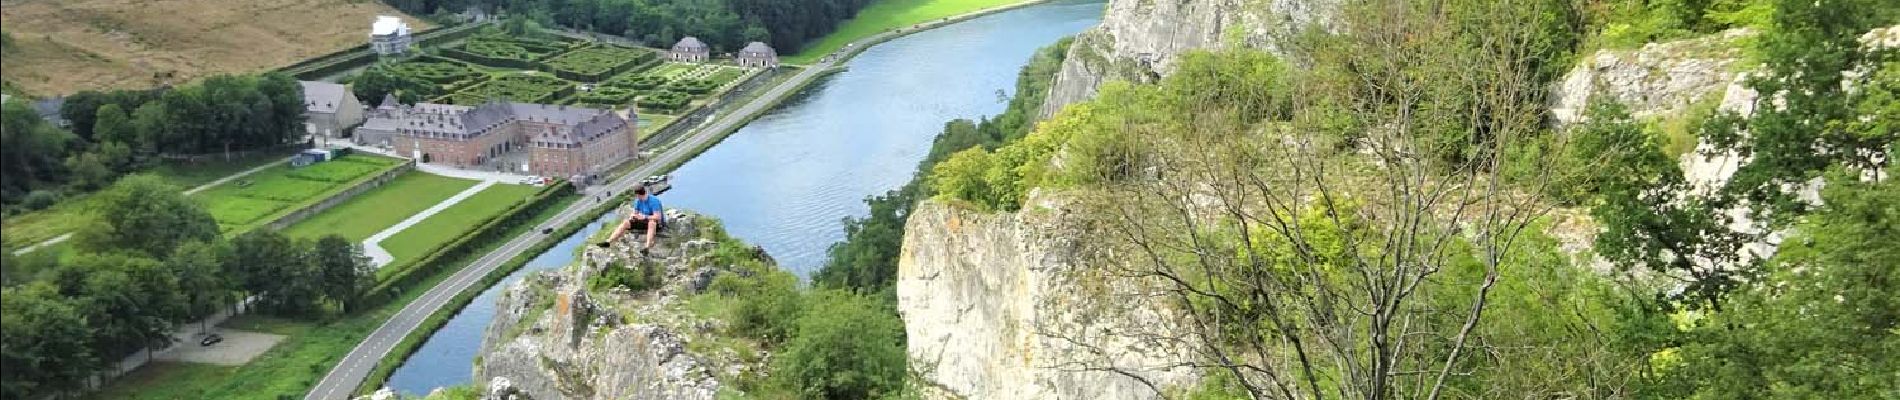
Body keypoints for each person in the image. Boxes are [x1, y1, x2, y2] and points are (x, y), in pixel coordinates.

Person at [608, 186, 664, 252]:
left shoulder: (654, 201)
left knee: (651, 223)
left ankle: (647, 247)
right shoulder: (638, 201)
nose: (636, 197)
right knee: (626, 222)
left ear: (639, 195)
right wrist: (633, 216)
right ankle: (609, 241)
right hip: (643, 221)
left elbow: (658, 217)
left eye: (637, 196)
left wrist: (645, 217)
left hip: (656, 223)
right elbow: (635, 212)